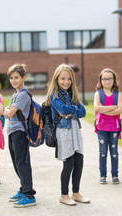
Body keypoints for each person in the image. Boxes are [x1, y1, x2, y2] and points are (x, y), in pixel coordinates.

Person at [45, 64, 90, 206]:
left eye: (69, 79)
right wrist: (73, 110)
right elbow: (63, 111)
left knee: (79, 161)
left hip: (75, 130)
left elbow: (83, 112)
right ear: (57, 79)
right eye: (63, 78)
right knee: (69, 163)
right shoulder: (54, 95)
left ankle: (76, 193)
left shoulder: (73, 94)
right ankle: (64, 195)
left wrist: (72, 111)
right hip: (63, 131)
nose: (66, 82)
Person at [4, 64, 36, 208]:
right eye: (11, 78)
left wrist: (7, 110)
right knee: (17, 164)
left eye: (16, 77)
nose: (13, 80)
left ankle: (29, 195)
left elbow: (9, 113)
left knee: (22, 164)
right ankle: (23, 189)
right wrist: (8, 110)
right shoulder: (15, 94)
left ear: (23, 78)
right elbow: (8, 112)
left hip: (20, 133)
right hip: (12, 132)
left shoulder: (23, 94)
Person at [94, 68, 122, 184]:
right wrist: (113, 107)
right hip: (101, 127)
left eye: (109, 79)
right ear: (101, 80)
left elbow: (120, 110)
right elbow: (96, 108)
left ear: (114, 80)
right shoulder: (98, 94)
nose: (107, 81)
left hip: (114, 128)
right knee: (102, 152)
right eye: (104, 79)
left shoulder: (118, 95)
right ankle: (103, 175)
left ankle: (115, 175)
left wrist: (104, 110)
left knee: (114, 152)